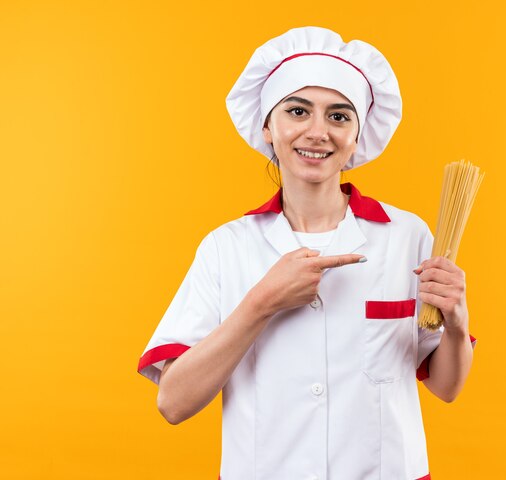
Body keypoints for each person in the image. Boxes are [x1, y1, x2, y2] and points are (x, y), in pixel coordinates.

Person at [137, 26, 477, 480]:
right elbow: (173, 403)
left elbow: (446, 387)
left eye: (339, 117)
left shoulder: (406, 236)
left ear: (357, 136)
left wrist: (457, 323)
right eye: (298, 111)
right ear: (268, 125)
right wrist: (262, 303)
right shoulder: (226, 248)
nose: (318, 132)